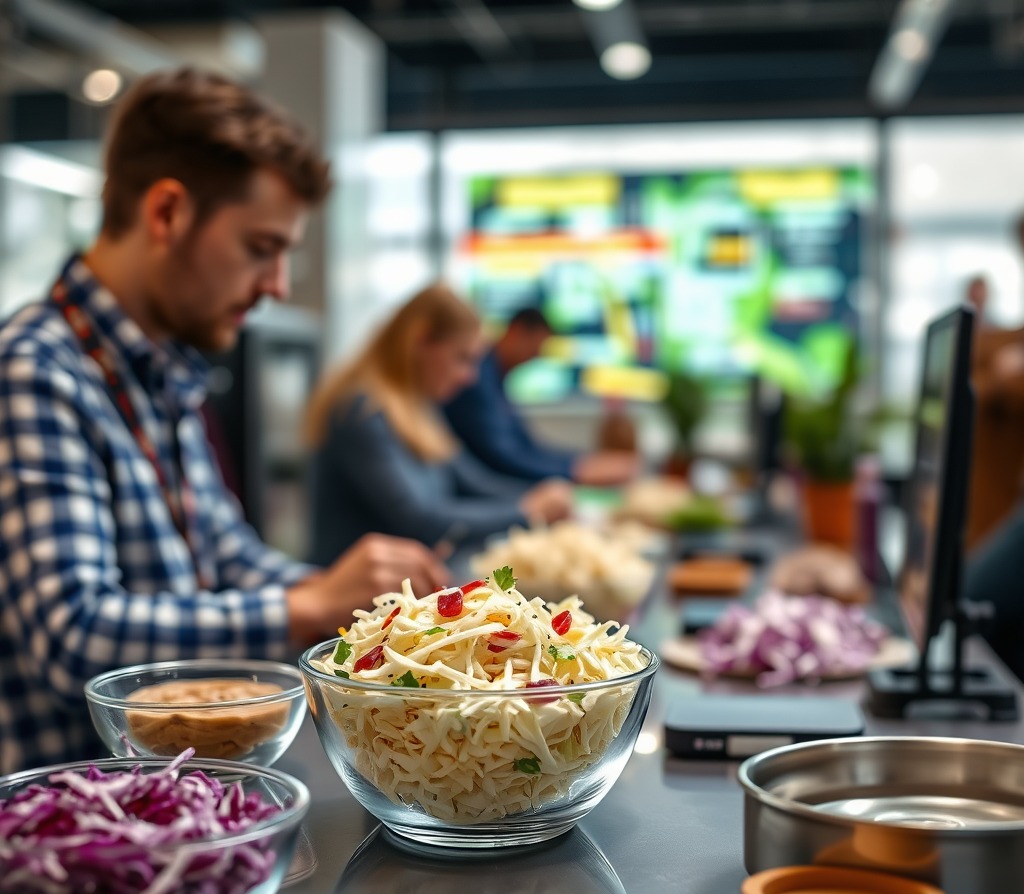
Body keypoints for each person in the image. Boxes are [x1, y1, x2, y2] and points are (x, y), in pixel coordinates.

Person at [0, 68, 447, 774]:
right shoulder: (33, 371)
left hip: (172, 793)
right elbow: (73, 639)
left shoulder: (161, 372)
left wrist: (367, 608)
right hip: (74, 824)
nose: (275, 286)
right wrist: (308, 605)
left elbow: (228, 562)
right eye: (261, 248)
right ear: (168, 213)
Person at [304, 286, 573, 564]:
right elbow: (420, 520)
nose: (470, 377)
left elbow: (471, 481)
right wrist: (527, 511)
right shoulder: (361, 409)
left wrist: (540, 495)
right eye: (462, 358)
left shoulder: (419, 406)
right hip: (359, 599)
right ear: (421, 342)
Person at [442, 307, 640, 486]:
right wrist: (574, 471)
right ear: (516, 332)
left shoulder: (495, 376)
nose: (535, 356)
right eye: (535, 347)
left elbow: (524, 446)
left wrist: (577, 463)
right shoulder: (477, 378)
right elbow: (501, 456)